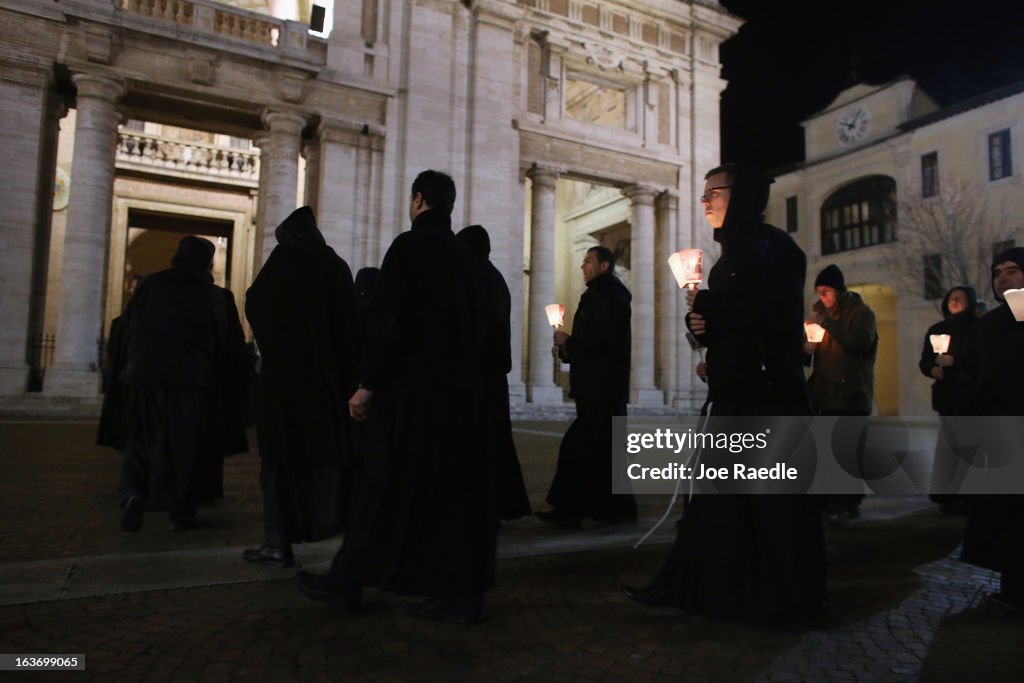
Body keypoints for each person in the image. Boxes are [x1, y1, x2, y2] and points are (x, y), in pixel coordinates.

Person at [622, 163, 826, 623]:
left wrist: (716, 309)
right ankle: (702, 588)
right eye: (704, 192)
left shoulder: (775, 248)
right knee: (715, 501)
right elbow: (735, 323)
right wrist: (705, 328)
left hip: (766, 399)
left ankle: (781, 599)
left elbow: (772, 320)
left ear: (744, 194)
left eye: (714, 191)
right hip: (736, 394)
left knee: (771, 508)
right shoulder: (731, 256)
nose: (705, 201)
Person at [297, 170, 495, 624]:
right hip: (460, 399)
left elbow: (389, 323)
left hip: (411, 396)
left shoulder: (410, 247)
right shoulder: (468, 261)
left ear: (419, 200)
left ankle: (345, 582)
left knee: (380, 486)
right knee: (449, 496)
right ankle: (459, 593)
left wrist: (367, 384)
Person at [242, 206, 357, 567]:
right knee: (328, 458)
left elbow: (254, 303)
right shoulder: (333, 266)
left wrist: (275, 347)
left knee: (277, 463)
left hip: (280, 385)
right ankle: (332, 527)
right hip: (325, 384)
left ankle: (277, 542)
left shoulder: (279, 267)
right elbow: (350, 325)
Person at [118, 236, 249, 532]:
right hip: (195, 382)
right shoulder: (217, 296)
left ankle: (132, 493)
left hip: (146, 378)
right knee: (190, 446)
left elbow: (128, 327)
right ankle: (182, 508)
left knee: (142, 438)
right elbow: (230, 344)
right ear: (208, 262)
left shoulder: (150, 285)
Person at [534, 245, 636, 529]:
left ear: (605, 266)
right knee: (604, 451)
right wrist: (566, 349)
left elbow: (605, 339)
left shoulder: (611, 296)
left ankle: (568, 509)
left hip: (602, 387)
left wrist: (570, 341)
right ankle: (615, 508)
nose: (582, 266)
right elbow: (592, 342)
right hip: (597, 386)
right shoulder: (596, 297)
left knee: (577, 447)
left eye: (588, 261)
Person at [961, 247, 1024, 610]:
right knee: (1006, 517)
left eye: (1013, 270)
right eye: (998, 272)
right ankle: (1014, 588)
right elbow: (970, 378)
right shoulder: (985, 328)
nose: (1003, 277)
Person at [456, 225, 531, 521]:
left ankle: (479, 506)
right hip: (494, 371)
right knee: (496, 441)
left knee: (475, 441)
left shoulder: (470, 276)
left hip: (475, 371)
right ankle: (501, 504)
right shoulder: (496, 277)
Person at [805, 264, 878, 523]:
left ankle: (848, 502)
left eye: (827, 291)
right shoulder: (821, 316)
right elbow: (809, 358)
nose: (823, 297)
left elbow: (859, 342)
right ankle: (831, 501)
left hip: (851, 393)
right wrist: (808, 347)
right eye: (819, 292)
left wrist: (829, 324)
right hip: (825, 392)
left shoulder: (861, 313)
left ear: (838, 290)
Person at [918, 285, 978, 514]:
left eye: (961, 298)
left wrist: (957, 362)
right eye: (952, 297)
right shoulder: (938, 329)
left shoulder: (976, 329)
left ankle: (968, 495)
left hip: (970, 396)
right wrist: (933, 370)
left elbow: (979, 361)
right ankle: (948, 495)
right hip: (947, 396)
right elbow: (925, 361)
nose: (955, 301)